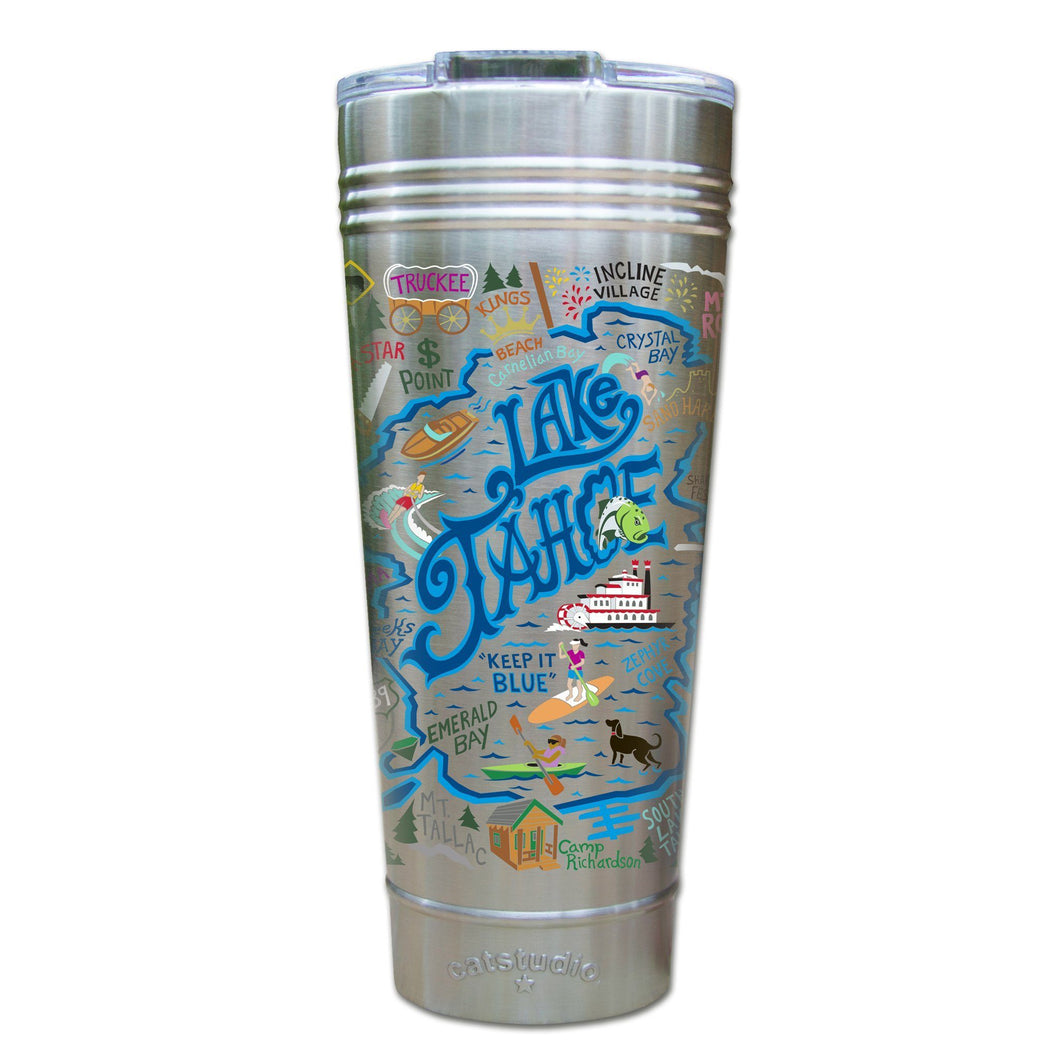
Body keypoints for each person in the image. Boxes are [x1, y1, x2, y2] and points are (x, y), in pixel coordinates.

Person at [560, 638, 588, 703]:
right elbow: (561, 657)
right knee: (569, 684)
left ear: (578, 645)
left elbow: (582, 662)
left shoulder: (581, 653)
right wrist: (560, 648)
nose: (573, 647)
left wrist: (575, 666)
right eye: (572, 645)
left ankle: (580, 695)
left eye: (575, 645)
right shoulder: (570, 652)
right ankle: (570, 694)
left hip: (578, 671)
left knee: (578, 684)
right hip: (571, 670)